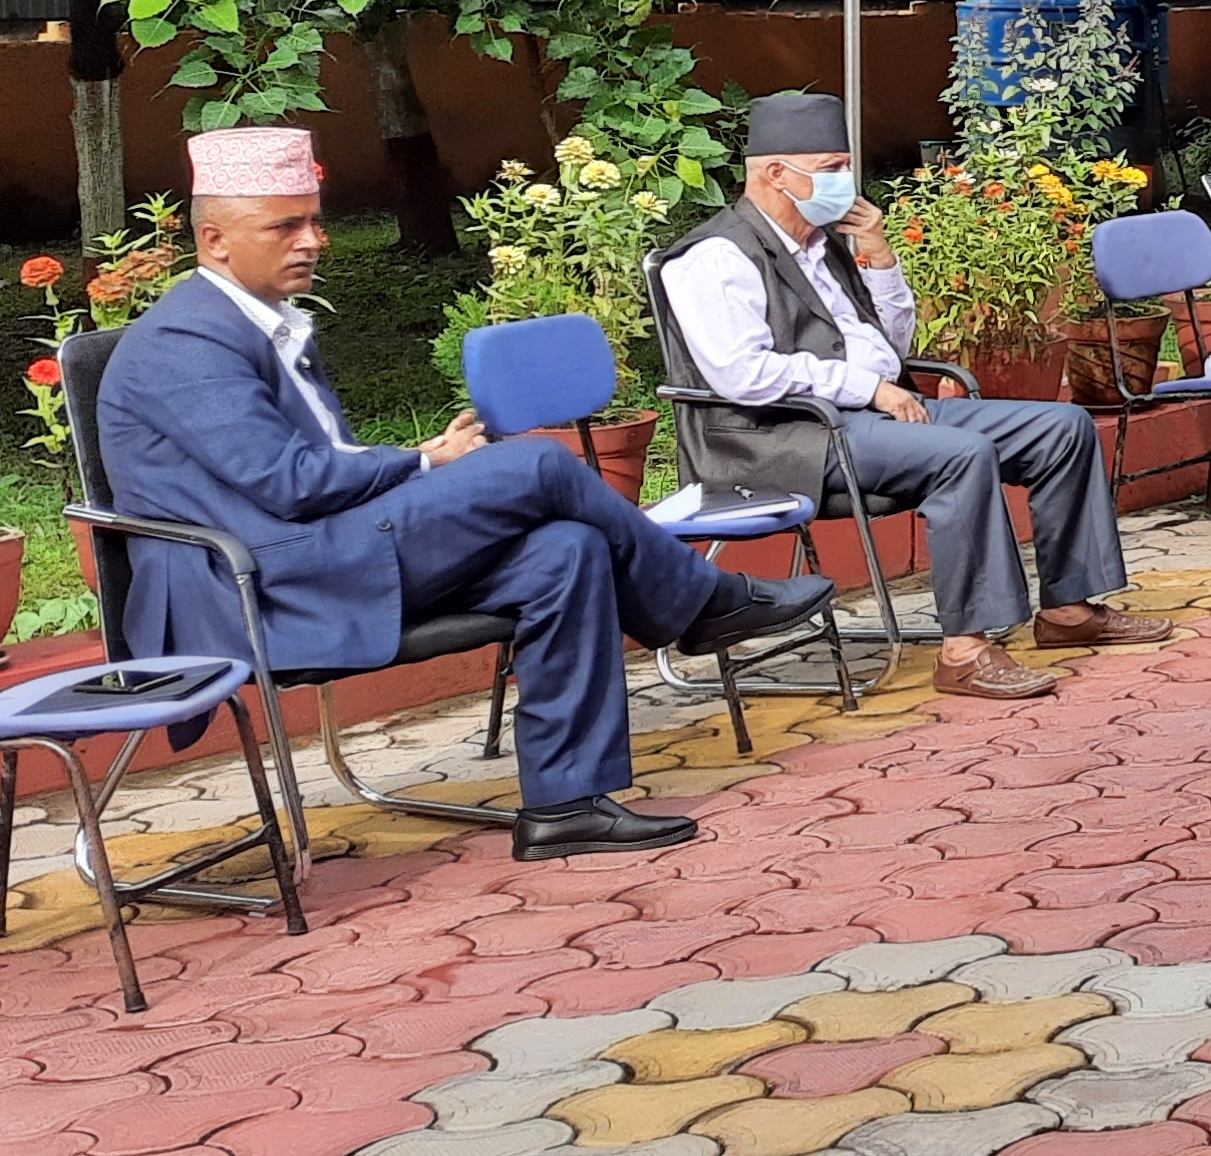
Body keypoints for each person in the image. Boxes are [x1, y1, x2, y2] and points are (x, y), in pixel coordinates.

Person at [99, 127, 834, 860]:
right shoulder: (185, 342)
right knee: (536, 465)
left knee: (567, 549)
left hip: (316, 550)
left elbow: (310, 468)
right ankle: (705, 603)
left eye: (316, 221)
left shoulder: (260, 321)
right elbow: (290, 483)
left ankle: (566, 806)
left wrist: (420, 465)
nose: (314, 240)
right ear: (216, 240)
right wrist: (423, 461)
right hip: (256, 584)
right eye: (285, 226)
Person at [659, 92, 1169, 703]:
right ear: (775, 173)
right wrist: (868, 388)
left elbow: (892, 345)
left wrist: (880, 260)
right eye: (830, 169)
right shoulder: (716, 257)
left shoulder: (825, 245)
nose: (845, 182)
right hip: (780, 438)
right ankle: (966, 652)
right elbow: (742, 375)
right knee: (960, 453)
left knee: (1061, 428)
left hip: (867, 417)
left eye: (846, 167)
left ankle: (1068, 609)